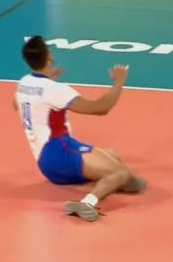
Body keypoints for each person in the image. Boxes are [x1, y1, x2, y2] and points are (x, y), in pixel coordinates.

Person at [13, 36, 146, 222]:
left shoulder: (23, 84)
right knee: (123, 174)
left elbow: (17, 104)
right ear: (49, 56)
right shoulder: (55, 89)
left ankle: (104, 181)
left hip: (46, 164)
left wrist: (46, 84)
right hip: (59, 152)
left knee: (113, 155)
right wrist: (118, 82)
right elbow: (100, 108)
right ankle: (87, 203)